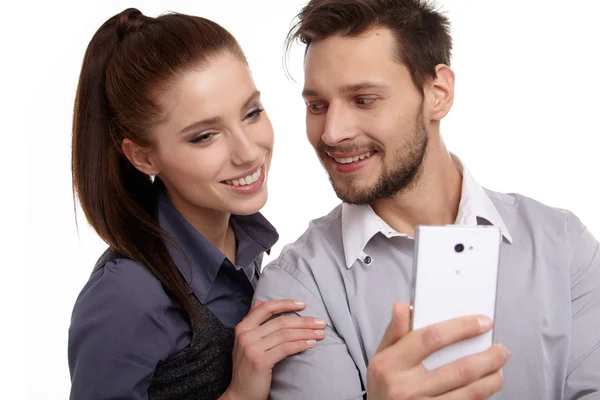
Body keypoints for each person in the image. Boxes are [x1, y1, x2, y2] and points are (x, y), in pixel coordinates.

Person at [253, 0, 600, 399]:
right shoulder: (298, 287)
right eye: (317, 106)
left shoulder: (564, 246)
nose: (332, 132)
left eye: (363, 100)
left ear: (438, 93)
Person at [68, 8, 327, 400]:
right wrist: (240, 393)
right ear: (143, 157)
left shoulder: (244, 244)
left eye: (252, 113)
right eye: (205, 136)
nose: (248, 151)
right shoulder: (127, 297)